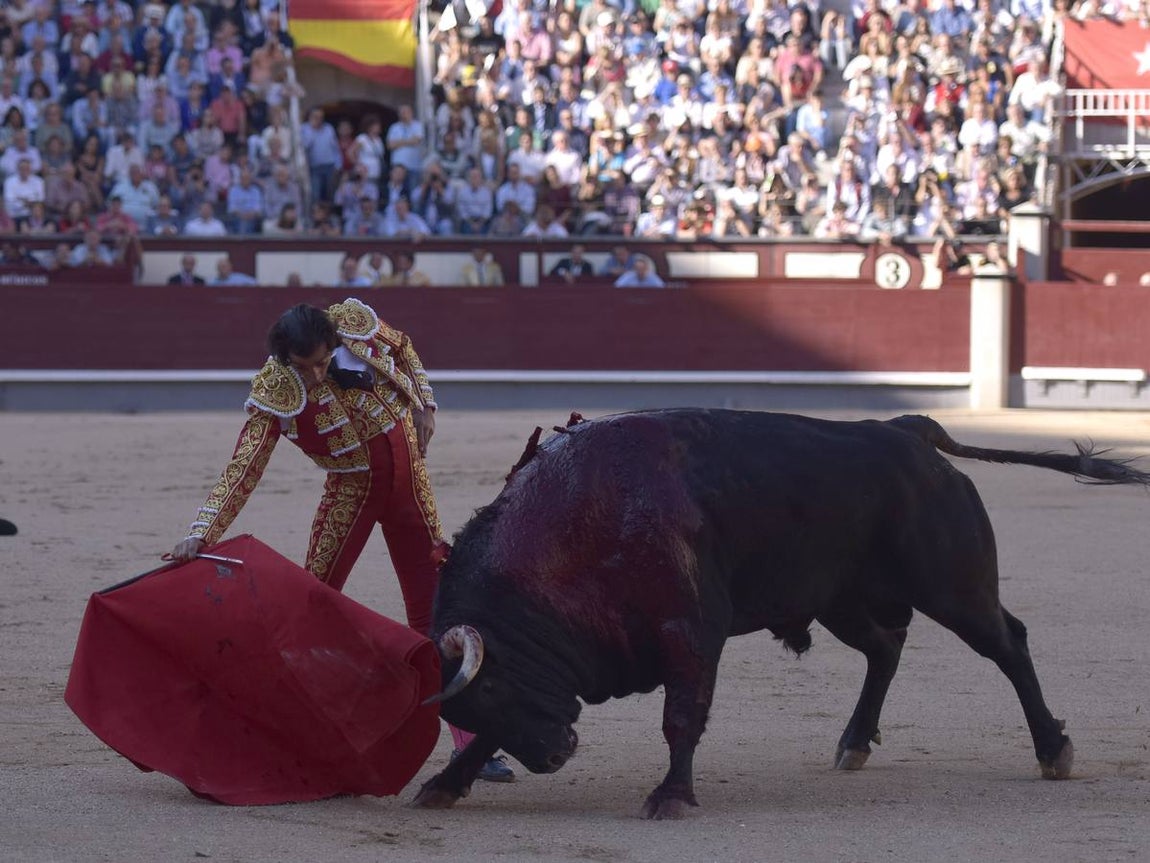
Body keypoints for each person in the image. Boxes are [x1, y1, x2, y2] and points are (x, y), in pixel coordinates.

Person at [169, 299, 513, 782]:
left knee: (437, 609)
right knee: (314, 605)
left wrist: (425, 403)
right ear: (285, 359)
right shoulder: (277, 387)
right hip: (351, 491)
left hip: (411, 484)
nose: (314, 375)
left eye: (322, 362)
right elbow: (244, 467)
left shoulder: (353, 324)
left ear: (333, 343)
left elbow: (405, 347)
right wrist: (200, 532)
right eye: (303, 366)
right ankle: (300, 731)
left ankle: (471, 743)